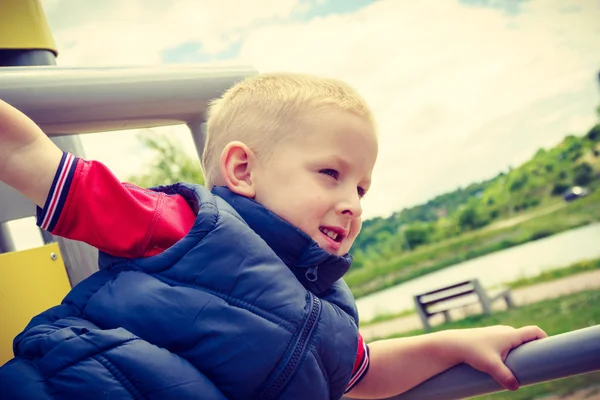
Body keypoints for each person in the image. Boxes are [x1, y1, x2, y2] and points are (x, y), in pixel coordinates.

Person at [0, 73, 546, 400]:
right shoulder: (182, 225)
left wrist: (454, 343)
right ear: (242, 170)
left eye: (362, 187)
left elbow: (362, 374)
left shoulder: (328, 312)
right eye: (331, 174)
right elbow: (30, 156)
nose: (352, 203)